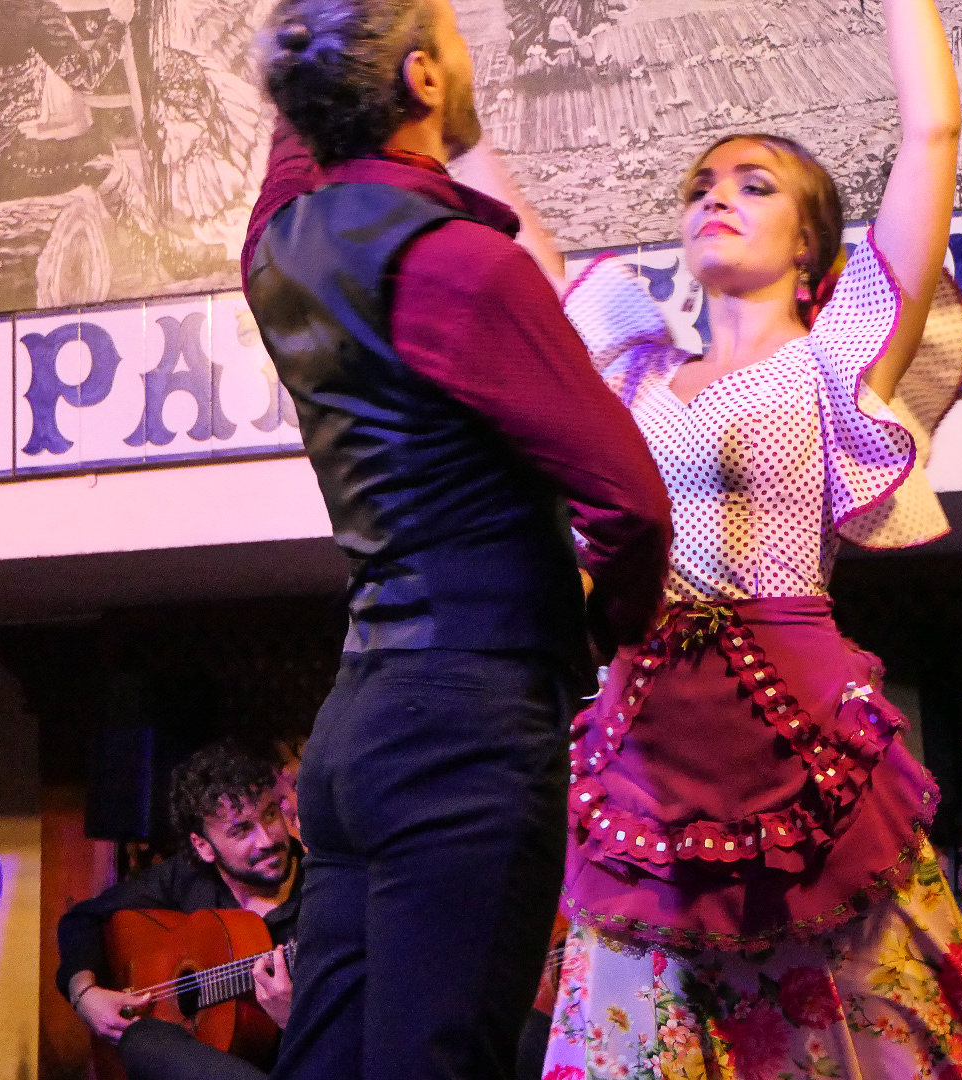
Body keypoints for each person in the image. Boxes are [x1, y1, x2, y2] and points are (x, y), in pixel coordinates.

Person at [539, 1, 962, 1076]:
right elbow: (521, 239)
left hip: (794, 736)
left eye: (754, 185)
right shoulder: (632, 368)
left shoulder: (831, 357)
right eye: (701, 186)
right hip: (647, 746)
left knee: (875, 1035)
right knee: (636, 1040)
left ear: (809, 242)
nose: (717, 197)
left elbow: (932, 136)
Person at [242, 0, 676, 1076]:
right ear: (423, 79)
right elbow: (630, 501)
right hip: (466, 728)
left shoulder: (276, 247)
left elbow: (295, 146)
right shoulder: (464, 265)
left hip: (355, 722)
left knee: (327, 1062)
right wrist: (607, 629)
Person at [57, 740, 302, 1080]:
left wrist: (295, 1019)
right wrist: (84, 995)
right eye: (241, 830)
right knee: (142, 1039)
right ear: (203, 846)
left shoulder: (324, 893)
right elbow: (83, 919)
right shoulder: (187, 880)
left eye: (270, 814)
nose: (267, 839)